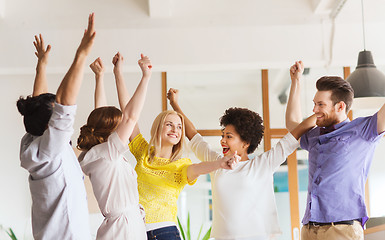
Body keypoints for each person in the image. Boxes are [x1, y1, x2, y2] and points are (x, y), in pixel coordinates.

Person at [168, 88, 317, 240]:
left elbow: (294, 135)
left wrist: (320, 112)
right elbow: (193, 135)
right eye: (223, 135)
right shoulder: (216, 162)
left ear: (245, 142)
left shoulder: (262, 165)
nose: (222, 140)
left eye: (229, 136)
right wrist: (175, 104)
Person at [16, 13, 95, 240]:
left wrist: (41, 66)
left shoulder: (33, 144)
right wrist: (81, 55)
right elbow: (63, 104)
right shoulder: (51, 149)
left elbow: (38, 105)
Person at [287, 61, 385, 240]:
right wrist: (296, 82)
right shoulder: (314, 135)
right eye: (314, 104)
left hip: (341, 229)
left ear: (340, 106)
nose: (314, 109)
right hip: (309, 229)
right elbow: (293, 125)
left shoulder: (363, 130)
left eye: (320, 105)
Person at [128, 96, 240, 239]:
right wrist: (118, 73)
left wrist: (220, 163)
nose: (175, 129)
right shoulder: (142, 153)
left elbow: (197, 168)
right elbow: (129, 116)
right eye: (169, 124)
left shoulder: (180, 166)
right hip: (134, 231)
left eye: (180, 127)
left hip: (163, 232)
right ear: (158, 128)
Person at [77, 52, 151, 240]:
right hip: (125, 229)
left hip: (123, 226)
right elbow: (131, 116)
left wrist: (100, 78)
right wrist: (145, 77)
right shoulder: (108, 153)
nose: (124, 128)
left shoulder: (98, 153)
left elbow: (100, 115)